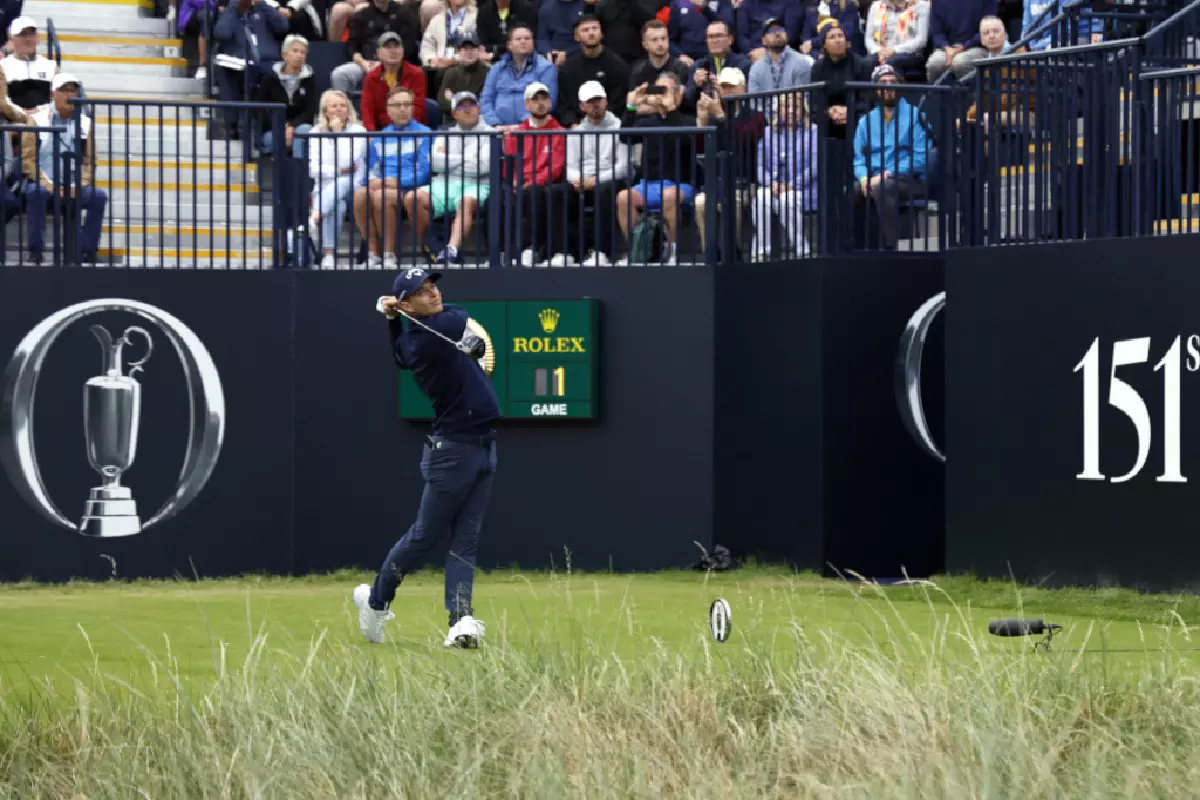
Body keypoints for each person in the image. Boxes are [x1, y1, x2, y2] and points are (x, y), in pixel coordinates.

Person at [355, 267, 499, 648]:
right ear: (408, 304)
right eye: (422, 291)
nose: (433, 293)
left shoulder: (412, 337)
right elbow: (460, 313)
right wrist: (397, 315)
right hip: (454, 452)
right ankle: (375, 602)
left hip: (482, 445)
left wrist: (392, 319)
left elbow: (399, 356)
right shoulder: (430, 337)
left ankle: (460, 620)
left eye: (433, 285)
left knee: (465, 540)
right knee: (422, 538)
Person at [21, 73, 107, 265]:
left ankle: (87, 251)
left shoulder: (85, 122)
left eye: (73, 90)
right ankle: (35, 251)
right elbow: (28, 160)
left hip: (74, 185)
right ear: (53, 93)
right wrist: (49, 185)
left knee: (98, 196)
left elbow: (90, 161)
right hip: (44, 183)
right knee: (36, 192)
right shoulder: (37, 119)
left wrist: (81, 183)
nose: (70, 94)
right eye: (64, 90)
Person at [353, 85, 433, 268]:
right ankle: (373, 253)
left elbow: (424, 172)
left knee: (382, 196)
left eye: (407, 104)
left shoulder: (425, 134)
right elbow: (372, 169)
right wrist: (373, 181)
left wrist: (397, 182)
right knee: (360, 194)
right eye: (397, 105)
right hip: (383, 185)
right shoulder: (380, 137)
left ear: (413, 107)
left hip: (410, 188)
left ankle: (389, 254)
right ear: (388, 109)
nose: (403, 109)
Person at [308, 89, 368, 268]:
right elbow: (313, 169)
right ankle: (329, 255)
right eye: (334, 106)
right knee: (338, 204)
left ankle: (315, 216)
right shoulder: (315, 132)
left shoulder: (359, 130)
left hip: (354, 186)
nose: (339, 109)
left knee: (343, 182)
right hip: (325, 188)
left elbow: (348, 160)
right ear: (325, 111)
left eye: (343, 105)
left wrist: (337, 133)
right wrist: (338, 170)